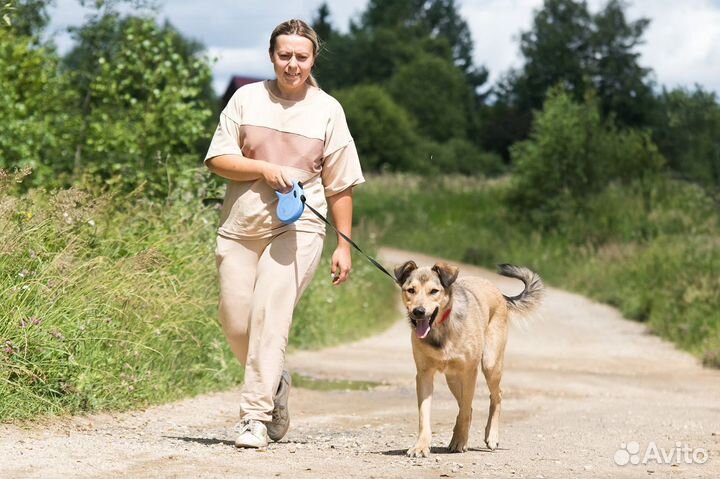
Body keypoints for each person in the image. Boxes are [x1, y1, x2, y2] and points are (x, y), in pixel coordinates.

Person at [203, 19, 364, 449]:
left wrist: (343, 244)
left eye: (302, 56)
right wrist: (262, 168)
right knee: (236, 321)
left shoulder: (328, 110)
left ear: (313, 59)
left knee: (270, 316)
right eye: (284, 55)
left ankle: (254, 418)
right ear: (272, 56)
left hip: (300, 226)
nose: (292, 64)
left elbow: (341, 184)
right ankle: (274, 384)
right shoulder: (246, 99)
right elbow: (217, 158)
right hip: (240, 227)